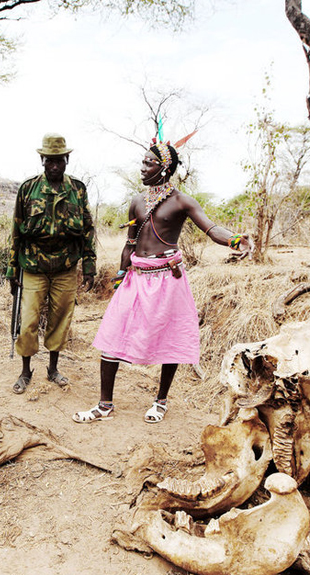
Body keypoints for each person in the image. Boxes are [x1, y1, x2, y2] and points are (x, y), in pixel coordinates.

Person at [73, 140, 251, 424]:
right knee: (113, 335)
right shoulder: (136, 201)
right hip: (136, 277)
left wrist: (233, 239)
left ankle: (161, 401)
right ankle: (104, 405)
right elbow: (130, 244)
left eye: (149, 163)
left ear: (165, 169)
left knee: (172, 338)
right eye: (142, 162)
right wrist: (120, 276)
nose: (142, 167)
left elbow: (211, 228)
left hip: (169, 278)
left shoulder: (182, 201)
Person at [6, 133, 96, 393]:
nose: (54, 165)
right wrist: (13, 268)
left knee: (60, 319)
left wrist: (89, 265)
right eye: (49, 160)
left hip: (66, 267)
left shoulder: (77, 189)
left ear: (67, 160)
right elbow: (17, 231)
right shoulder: (28, 189)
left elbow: (88, 229)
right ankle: (25, 372)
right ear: (42, 160)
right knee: (28, 321)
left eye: (59, 160)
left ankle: (53, 369)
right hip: (33, 265)